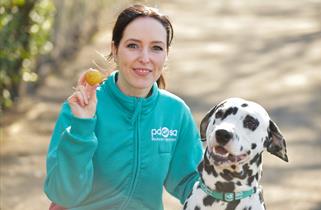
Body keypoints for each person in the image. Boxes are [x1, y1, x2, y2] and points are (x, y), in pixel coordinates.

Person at [44, 4, 203, 210]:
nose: (144, 58)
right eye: (133, 45)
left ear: (166, 54)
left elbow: (190, 183)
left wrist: (228, 183)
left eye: (156, 48)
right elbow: (64, 195)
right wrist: (82, 127)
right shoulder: (80, 108)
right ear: (114, 49)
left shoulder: (175, 112)